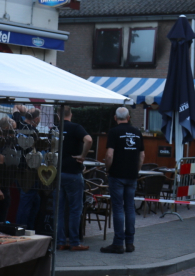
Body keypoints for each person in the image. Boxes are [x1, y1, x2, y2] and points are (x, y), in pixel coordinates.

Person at [101, 107, 145, 254]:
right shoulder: (138, 132)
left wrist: (108, 169)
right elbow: (142, 156)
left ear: (115, 118)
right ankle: (130, 243)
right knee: (130, 208)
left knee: (118, 208)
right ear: (129, 117)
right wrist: (136, 170)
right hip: (132, 175)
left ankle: (118, 243)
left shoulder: (114, 132)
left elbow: (109, 155)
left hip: (117, 175)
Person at [57, 106, 93, 252]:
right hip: (73, 173)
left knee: (58, 210)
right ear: (71, 114)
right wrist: (83, 156)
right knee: (75, 210)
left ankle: (60, 242)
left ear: (58, 115)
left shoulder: (55, 129)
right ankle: (74, 242)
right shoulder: (76, 128)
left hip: (57, 173)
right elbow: (89, 140)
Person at [15, 110, 41, 229]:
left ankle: (30, 228)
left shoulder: (18, 124)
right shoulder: (34, 132)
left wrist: (25, 110)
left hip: (17, 167)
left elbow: (16, 107)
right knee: (25, 202)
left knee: (35, 200)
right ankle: (22, 229)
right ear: (36, 119)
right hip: (29, 171)